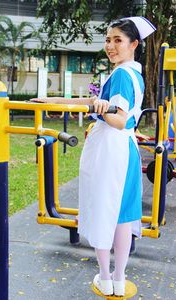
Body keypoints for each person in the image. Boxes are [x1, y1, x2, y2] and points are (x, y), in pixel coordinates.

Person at [31, 16, 156, 296]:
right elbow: (91, 102)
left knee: (104, 210)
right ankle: (119, 279)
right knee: (123, 215)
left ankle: (104, 275)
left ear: (134, 44)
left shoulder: (123, 74)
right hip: (124, 151)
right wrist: (50, 101)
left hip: (111, 151)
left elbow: (121, 119)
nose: (110, 46)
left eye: (118, 40)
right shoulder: (132, 73)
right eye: (109, 40)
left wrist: (103, 109)